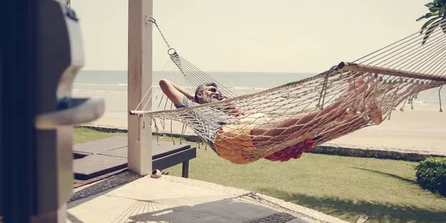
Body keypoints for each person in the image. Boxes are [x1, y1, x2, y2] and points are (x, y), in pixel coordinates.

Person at [159, 77, 383, 164]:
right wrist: (196, 99)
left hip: (252, 144)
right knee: (294, 127)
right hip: (227, 141)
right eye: (211, 90)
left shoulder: (227, 111)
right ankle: (344, 103)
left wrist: (210, 98)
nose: (217, 93)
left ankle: (360, 117)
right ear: (199, 95)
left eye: (218, 91)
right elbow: (164, 83)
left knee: (305, 136)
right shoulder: (191, 110)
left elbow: (242, 118)